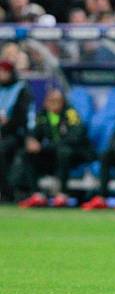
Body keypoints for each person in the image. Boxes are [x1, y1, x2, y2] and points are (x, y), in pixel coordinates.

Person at [16, 89, 93, 208]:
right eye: (50, 100)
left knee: (64, 152)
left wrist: (44, 147)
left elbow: (75, 137)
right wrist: (31, 140)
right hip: (52, 153)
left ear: (63, 102)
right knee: (27, 153)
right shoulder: (43, 115)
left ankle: (62, 194)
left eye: (57, 100)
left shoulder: (70, 113)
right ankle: (37, 194)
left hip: (76, 154)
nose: (53, 103)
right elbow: (34, 133)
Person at [0, 60, 30, 201]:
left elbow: (22, 117)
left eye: (4, 72)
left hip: (15, 133)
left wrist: (6, 123)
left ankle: (7, 191)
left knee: (3, 149)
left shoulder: (21, 90)